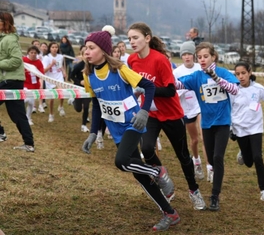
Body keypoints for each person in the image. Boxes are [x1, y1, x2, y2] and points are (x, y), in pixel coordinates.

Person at [81, 25, 179, 231]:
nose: (86, 52)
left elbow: (150, 86)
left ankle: (158, 171)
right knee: (137, 173)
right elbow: (97, 105)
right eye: (85, 48)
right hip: (115, 129)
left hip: (133, 122)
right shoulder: (88, 76)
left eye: (91, 47)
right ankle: (170, 213)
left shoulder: (120, 69)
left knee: (122, 161)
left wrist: (144, 111)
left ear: (103, 50)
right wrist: (92, 133)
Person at [127, 22, 206, 211]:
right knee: (146, 148)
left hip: (171, 114)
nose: (132, 42)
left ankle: (194, 191)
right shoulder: (131, 60)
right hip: (150, 113)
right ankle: (163, 179)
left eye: (135, 37)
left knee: (183, 156)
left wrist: (148, 89)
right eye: (129, 38)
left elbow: (171, 91)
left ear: (147, 38)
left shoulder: (160, 60)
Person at [175, 41, 239, 211]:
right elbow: (177, 84)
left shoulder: (224, 73)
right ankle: (212, 174)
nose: (202, 60)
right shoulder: (197, 76)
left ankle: (215, 196)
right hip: (207, 124)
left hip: (223, 123)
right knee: (210, 159)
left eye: (205, 56)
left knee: (218, 158)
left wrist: (217, 78)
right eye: (200, 57)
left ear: (213, 57)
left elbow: (235, 90)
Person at [230, 61, 264, 202]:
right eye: (238, 74)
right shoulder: (233, 90)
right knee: (249, 162)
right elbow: (228, 110)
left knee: (258, 157)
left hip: (256, 128)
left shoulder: (258, 88)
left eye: (243, 73)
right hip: (240, 129)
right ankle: (244, 153)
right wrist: (230, 129)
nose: (241, 76)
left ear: (250, 72)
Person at [0, 12, 35, 152]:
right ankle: (29, 144)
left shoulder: (9, 40)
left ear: (4, 23)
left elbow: (16, 60)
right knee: (17, 115)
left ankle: (1, 133)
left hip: (11, 80)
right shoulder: (4, 39)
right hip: (9, 80)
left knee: (18, 114)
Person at [173, 41, 208, 180]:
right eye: (184, 54)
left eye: (189, 54)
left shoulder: (201, 68)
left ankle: (210, 167)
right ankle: (197, 161)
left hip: (200, 106)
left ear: (193, 55)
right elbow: (173, 92)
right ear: (181, 56)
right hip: (186, 109)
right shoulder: (176, 72)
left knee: (204, 136)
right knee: (194, 140)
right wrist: (183, 90)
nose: (187, 57)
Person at [42, 42, 66, 122]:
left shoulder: (60, 56)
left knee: (61, 92)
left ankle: (61, 106)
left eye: (56, 47)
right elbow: (44, 70)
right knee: (51, 98)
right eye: (53, 47)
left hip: (59, 77)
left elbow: (60, 65)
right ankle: (51, 114)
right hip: (50, 79)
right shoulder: (46, 58)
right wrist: (51, 64)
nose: (55, 49)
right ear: (50, 48)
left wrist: (64, 71)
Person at [70, 47, 91, 133]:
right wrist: (79, 82)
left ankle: (83, 125)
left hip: (88, 89)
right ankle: (73, 101)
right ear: (82, 56)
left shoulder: (93, 65)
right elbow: (71, 76)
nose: (87, 56)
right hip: (78, 88)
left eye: (88, 54)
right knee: (78, 109)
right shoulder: (79, 66)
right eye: (85, 54)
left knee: (86, 106)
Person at [23, 45, 44, 126]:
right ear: (28, 53)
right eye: (31, 52)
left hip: (34, 85)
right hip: (25, 83)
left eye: (35, 53)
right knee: (26, 100)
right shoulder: (24, 60)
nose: (33, 54)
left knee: (31, 103)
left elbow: (41, 74)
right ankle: (23, 117)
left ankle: (28, 117)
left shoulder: (38, 62)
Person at [38, 42, 49, 113]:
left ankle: (41, 104)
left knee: (42, 88)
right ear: (40, 47)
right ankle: (35, 106)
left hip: (43, 74)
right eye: (43, 46)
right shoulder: (36, 54)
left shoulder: (47, 56)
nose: (44, 48)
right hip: (35, 73)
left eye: (45, 46)